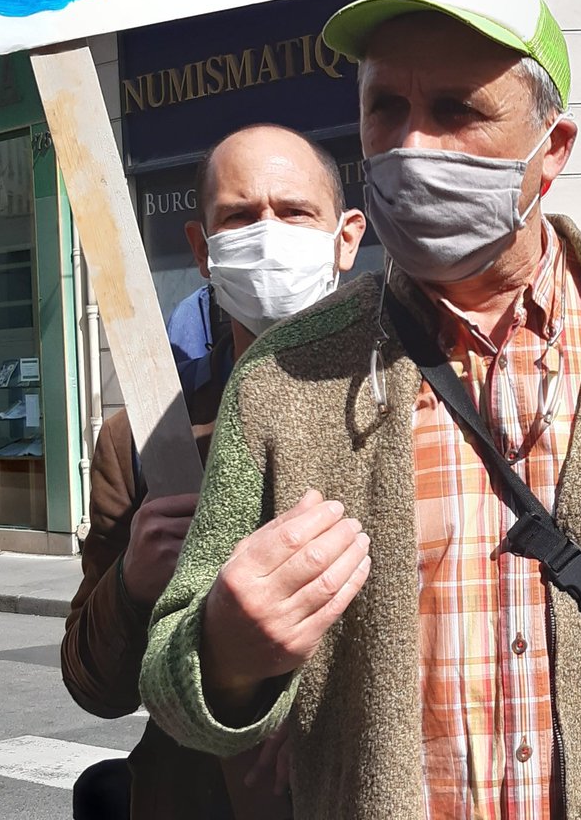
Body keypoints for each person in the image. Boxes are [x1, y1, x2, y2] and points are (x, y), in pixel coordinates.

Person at [140, 0, 581, 820]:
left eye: (457, 110)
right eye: (386, 108)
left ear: (554, 152)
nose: (410, 146)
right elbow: (174, 682)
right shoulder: (282, 377)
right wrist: (227, 652)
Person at [61, 123, 366, 820]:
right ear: (202, 250)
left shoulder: (414, 408)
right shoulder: (143, 443)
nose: (268, 234)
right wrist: (131, 584)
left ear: (346, 237)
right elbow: (94, 689)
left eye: (293, 212)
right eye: (238, 215)